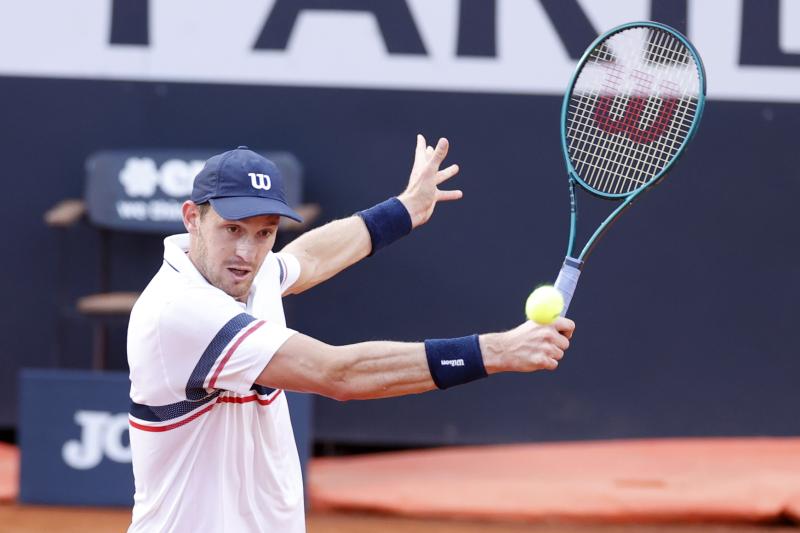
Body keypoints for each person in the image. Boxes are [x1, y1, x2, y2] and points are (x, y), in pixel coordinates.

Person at [126, 137, 575, 533]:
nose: (247, 251)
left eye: (264, 233)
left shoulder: (243, 272)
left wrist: (404, 209)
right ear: (192, 218)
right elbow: (339, 373)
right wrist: (498, 350)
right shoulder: (180, 311)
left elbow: (309, 258)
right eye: (232, 229)